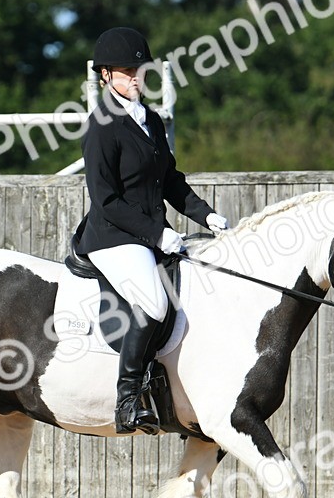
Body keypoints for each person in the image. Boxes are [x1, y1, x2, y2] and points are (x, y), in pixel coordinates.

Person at [72, 27, 228, 434]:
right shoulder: (101, 125)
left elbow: (171, 180)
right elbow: (106, 199)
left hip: (147, 232)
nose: (135, 77)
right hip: (113, 236)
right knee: (156, 302)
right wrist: (158, 234)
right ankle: (126, 400)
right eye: (125, 71)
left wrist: (206, 216)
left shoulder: (152, 121)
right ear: (106, 76)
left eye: (139, 69)